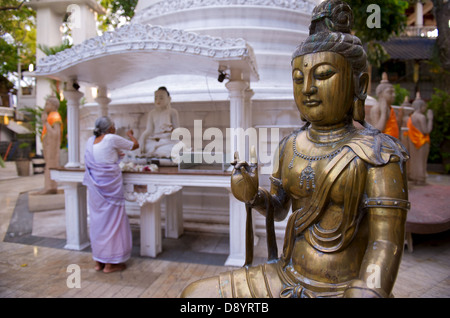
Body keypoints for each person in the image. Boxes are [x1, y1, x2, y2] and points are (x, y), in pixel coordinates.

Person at [181, 0, 409, 298]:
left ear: (360, 84)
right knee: (195, 297)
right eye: (298, 78)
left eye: (324, 75)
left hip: (343, 287)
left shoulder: (379, 154)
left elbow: (386, 244)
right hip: (288, 275)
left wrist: (369, 289)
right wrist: (253, 194)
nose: (308, 88)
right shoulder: (290, 145)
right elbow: (278, 209)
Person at [83, 116, 139, 273]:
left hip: (95, 189)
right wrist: (130, 134)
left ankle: (98, 261)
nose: (115, 128)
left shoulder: (90, 141)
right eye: (114, 126)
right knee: (113, 222)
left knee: (98, 222)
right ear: (109, 128)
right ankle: (110, 264)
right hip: (111, 189)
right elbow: (135, 146)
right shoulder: (111, 138)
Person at [139, 86, 179, 158]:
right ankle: (157, 153)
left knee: (174, 148)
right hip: (154, 141)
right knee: (144, 147)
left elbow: (177, 131)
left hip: (167, 141)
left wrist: (170, 131)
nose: (158, 100)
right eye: (156, 98)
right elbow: (149, 130)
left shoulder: (172, 112)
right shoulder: (152, 113)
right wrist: (142, 138)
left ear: (169, 99)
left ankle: (158, 153)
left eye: (161, 98)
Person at [405, 93, 433, 185]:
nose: (425, 108)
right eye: (424, 106)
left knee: (415, 160)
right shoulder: (422, 117)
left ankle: (414, 177)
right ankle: (421, 178)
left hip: (413, 141)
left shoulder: (411, 117)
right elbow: (426, 131)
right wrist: (431, 119)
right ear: (421, 106)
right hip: (422, 141)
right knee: (421, 161)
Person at [369, 73, 403, 139]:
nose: (393, 95)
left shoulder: (391, 108)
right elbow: (377, 130)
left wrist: (400, 118)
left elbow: (394, 127)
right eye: (390, 92)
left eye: (393, 92)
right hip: (383, 143)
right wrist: (384, 113)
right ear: (380, 94)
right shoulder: (376, 108)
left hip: (393, 142)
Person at [40, 96, 63, 194]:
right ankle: (48, 187)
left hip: (52, 147)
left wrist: (45, 122)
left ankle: (51, 187)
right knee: (48, 166)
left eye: (47, 104)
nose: (45, 106)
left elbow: (55, 134)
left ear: (53, 106)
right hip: (48, 146)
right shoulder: (51, 116)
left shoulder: (55, 117)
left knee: (50, 166)